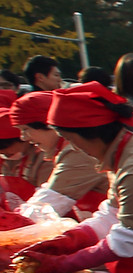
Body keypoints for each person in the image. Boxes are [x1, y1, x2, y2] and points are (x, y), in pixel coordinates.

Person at [16, 83, 133, 273]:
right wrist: (69, 241)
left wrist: (63, 263)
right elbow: (111, 214)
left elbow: (129, 239)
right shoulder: (122, 153)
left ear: (90, 132)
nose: (73, 148)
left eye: (70, 139)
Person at [12, 90, 105, 222]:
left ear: (47, 123)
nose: (23, 137)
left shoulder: (79, 152)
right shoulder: (66, 150)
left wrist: (16, 223)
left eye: (25, 129)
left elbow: (48, 203)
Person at [0, 104, 52, 207]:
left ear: (24, 140)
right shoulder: (4, 159)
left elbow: (50, 195)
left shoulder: (45, 158)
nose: (3, 153)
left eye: (5, 147)